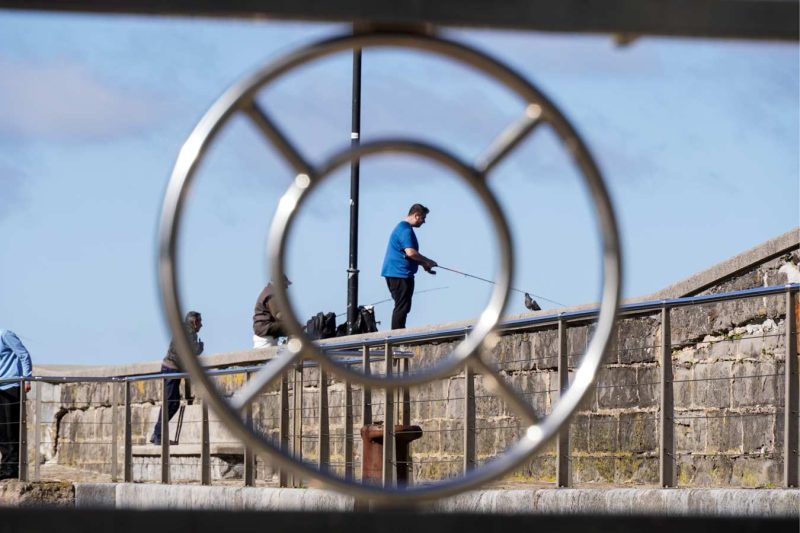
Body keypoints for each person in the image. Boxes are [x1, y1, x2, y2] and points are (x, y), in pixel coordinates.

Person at [381, 203, 438, 330]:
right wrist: (428, 261)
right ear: (416, 215)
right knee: (402, 306)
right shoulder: (405, 230)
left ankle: (398, 333)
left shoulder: (402, 228)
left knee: (403, 306)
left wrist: (423, 264)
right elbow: (411, 253)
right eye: (423, 218)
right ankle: (397, 336)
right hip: (399, 274)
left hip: (396, 273)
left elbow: (407, 255)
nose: (424, 222)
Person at [150, 311, 203, 445]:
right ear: (194, 322)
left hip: (169, 368)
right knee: (171, 404)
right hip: (171, 370)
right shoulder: (189, 333)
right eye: (200, 322)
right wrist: (200, 347)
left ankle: (157, 434)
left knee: (172, 403)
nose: (201, 325)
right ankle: (158, 435)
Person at [0, 330, 32, 480]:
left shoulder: (5, 334)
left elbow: (23, 354)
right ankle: (5, 465)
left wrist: (27, 378)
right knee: (2, 430)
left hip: (11, 386)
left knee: (11, 429)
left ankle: (12, 467)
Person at [252, 276, 291, 348]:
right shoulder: (272, 294)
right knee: (291, 328)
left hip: (264, 330)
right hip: (265, 328)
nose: (287, 287)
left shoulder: (269, 291)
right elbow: (279, 315)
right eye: (285, 285)